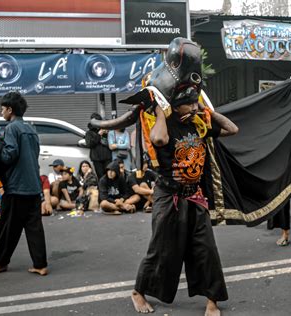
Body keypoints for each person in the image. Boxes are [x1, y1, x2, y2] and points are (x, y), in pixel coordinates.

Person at [131, 41, 239, 315]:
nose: (192, 104)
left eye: (194, 100)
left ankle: (212, 301)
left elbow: (231, 129)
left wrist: (206, 110)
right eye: (188, 102)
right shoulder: (165, 123)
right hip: (169, 196)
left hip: (195, 196)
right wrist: (159, 109)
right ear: (174, 104)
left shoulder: (199, 123)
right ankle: (138, 291)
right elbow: (159, 139)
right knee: (160, 248)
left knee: (206, 248)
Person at [0, 91, 48, 276]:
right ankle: (40, 264)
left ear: (10, 110)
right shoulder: (31, 130)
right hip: (34, 187)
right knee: (34, 229)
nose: (1, 112)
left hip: (16, 187)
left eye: (2, 109)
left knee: (7, 228)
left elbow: (9, 155)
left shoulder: (12, 128)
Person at [85, 113, 112, 179]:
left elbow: (110, 141)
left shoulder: (105, 129)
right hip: (96, 158)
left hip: (107, 157)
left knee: (109, 175)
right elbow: (90, 144)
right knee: (101, 176)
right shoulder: (89, 133)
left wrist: (107, 133)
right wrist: (98, 135)